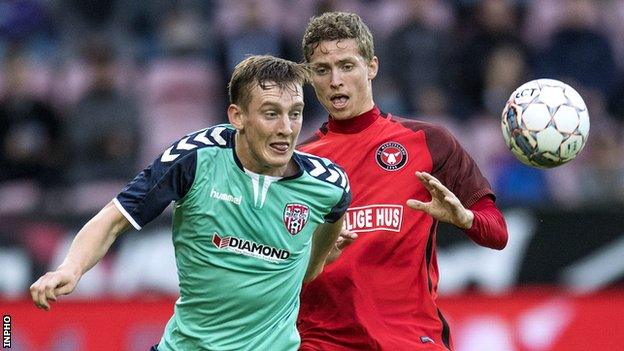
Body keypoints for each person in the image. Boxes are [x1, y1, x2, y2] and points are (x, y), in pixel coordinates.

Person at [30, 55, 352, 351]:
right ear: (237, 116)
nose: (286, 129)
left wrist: (316, 257)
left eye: (294, 114)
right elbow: (114, 218)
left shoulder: (328, 186)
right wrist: (71, 269)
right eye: (271, 114)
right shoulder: (195, 158)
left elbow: (311, 267)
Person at [296, 12, 509, 351]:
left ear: (372, 67)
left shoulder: (430, 142)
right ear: (309, 76)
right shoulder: (297, 165)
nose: (335, 80)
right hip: (324, 342)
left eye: (347, 66)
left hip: (411, 340)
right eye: (322, 69)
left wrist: (465, 218)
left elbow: (497, 232)